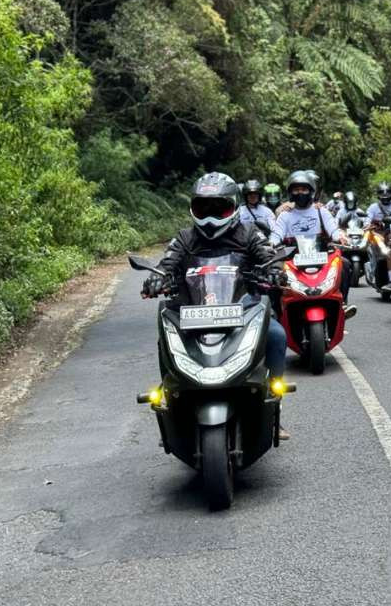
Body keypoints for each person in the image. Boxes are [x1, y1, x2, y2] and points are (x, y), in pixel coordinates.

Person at [141, 172, 291, 439]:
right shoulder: (185, 238)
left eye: (218, 208)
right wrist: (156, 279)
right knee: (165, 338)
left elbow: (269, 256)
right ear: (193, 207)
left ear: (233, 206)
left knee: (277, 336)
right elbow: (167, 263)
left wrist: (276, 270)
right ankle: (170, 395)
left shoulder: (249, 234)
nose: (210, 216)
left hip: (242, 310)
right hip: (191, 312)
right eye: (203, 207)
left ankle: (272, 400)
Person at [272, 170, 356, 315]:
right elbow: (276, 235)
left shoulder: (321, 211)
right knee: (273, 272)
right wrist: (271, 244)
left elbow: (333, 230)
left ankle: (342, 304)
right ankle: (276, 312)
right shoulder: (285, 214)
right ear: (290, 192)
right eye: (296, 189)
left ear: (311, 191)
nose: (300, 193)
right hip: (291, 258)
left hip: (320, 255)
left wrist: (341, 236)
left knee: (345, 264)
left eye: (304, 189)